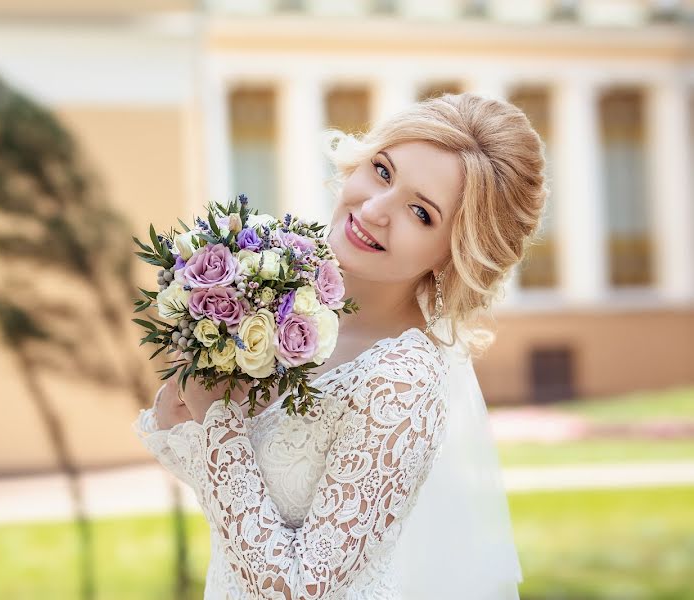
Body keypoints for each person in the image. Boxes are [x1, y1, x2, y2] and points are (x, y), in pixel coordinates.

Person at [132, 92, 547, 599]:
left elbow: (302, 589)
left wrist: (217, 419)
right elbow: (235, 496)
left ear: (454, 253)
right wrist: (197, 370)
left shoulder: (403, 380)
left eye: (421, 213)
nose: (374, 209)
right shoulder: (288, 302)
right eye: (383, 171)